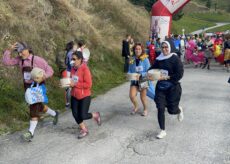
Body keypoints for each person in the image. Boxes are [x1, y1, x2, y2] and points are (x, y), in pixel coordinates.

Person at [2, 42, 58, 141]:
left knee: (33, 108)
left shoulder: (37, 60)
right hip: (27, 87)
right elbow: (6, 62)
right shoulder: (19, 60)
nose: (20, 54)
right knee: (38, 106)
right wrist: (9, 50)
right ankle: (54, 114)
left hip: (38, 87)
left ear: (27, 49)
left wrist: (43, 77)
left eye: (21, 51)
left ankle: (30, 133)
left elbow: (50, 70)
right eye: (18, 52)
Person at [148, 41, 184, 139]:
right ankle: (162, 130)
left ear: (170, 47)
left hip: (173, 88)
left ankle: (179, 110)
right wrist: (149, 75)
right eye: (162, 47)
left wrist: (165, 78)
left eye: (166, 47)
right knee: (160, 108)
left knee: (172, 111)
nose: (164, 49)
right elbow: (152, 69)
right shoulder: (159, 59)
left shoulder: (175, 59)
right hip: (161, 88)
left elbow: (179, 74)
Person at [69, 51, 101, 139]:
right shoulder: (72, 68)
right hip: (74, 95)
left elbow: (88, 85)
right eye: (71, 59)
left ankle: (96, 115)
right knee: (75, 114)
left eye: (74, 59)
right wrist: (67, 83)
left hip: (84, 96)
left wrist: (75, 85)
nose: (72, 61)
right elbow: (72, 80)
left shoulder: (85, 69)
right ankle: (84, 130)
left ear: (80, 60)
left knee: (83, 115)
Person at [128, 43, 150, 116]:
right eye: (136, 49)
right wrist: (128, 75)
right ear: (134, 50)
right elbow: (129, 69)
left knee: (143, 97)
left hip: (143, 79)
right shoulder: (131, 59)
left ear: (142, 50)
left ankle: (145, 109)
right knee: (132, 96)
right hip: (134, 80)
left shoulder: (145, 58)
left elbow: (149, 71)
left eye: (139, 49)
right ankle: (136, 106)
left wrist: (141, 74)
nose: (137, 50)